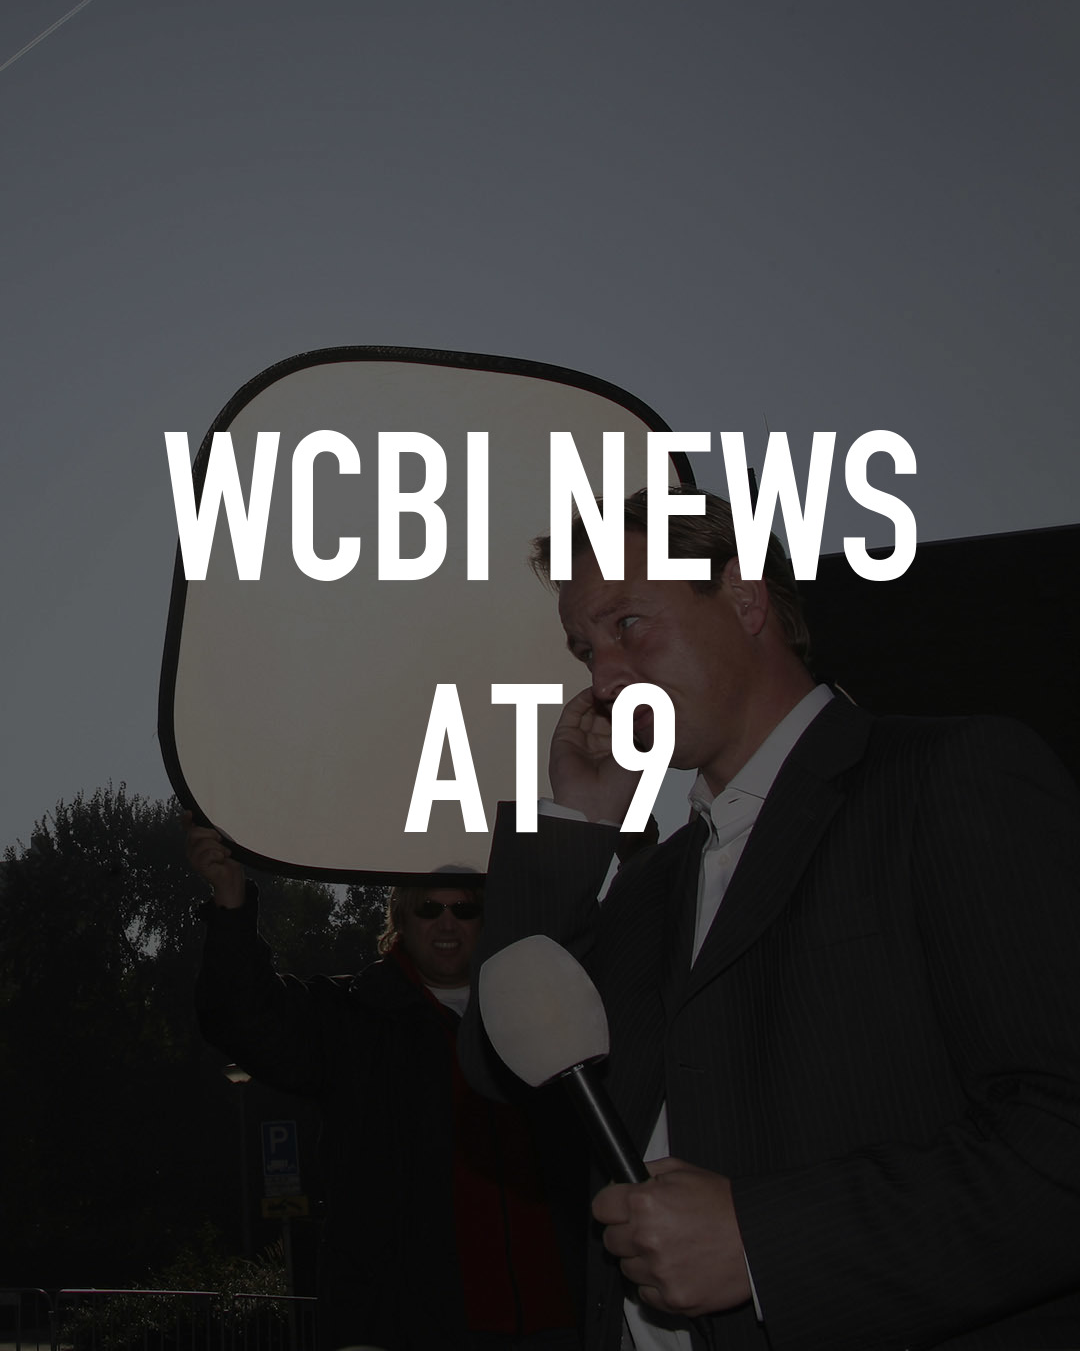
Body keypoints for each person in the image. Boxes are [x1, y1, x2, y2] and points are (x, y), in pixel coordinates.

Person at [459, 487, 1080, 1351]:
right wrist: (577, 825)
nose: (601, 678)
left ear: (746, 599)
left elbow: (1060, 1136)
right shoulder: (650, 885)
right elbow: (503, 1068)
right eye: (585, 649)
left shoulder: (949, 777)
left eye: (628, 624)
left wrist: (763, 1244)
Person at [189, 819, 584, 1351]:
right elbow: (243, 1019)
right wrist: (231, 900)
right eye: (429, 908)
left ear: (487, 919)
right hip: (407, 1325)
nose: (447, 923)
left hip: (554, 1319)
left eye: (465, 909)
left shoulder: (542, 1016)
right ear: (401, 918)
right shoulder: (356, 1018)